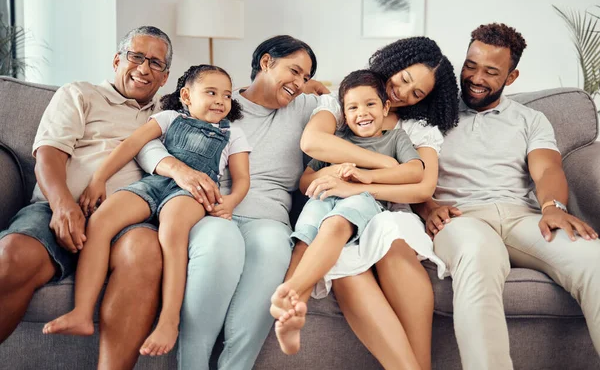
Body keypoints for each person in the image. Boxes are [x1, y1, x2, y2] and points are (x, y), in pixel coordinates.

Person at [135, 35, 328, 369]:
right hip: (210, 211)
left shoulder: (308, 109)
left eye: (305, 77)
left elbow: (357, 103)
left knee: (273, 248)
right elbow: (149, 141)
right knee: (220, 241)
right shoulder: (217, 98)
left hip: (269, 218)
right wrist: (178, 170)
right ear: (266, 62)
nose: (299, 83)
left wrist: (320, 88)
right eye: (294, 71)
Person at [415, 23, 600, 370]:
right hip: (460, 217)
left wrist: (553, 207)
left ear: (511, 77)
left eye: (490, 71)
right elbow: (407, 169)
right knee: (478, 253)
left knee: (593, 259)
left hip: (522, 216)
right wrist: (427, 207)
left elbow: (546, 169)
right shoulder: (431, 113)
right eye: (471, 65)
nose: (475, 77)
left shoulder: (530, 119)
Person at [271, 36, 459, 370]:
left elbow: (422, 185)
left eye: (417, 93)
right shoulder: (347, 104)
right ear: (393, 63)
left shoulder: (413, 129)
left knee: (389, 232)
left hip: (389, 209)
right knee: (340, 255)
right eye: (403, 78)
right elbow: (313, 142)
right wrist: (380, 166)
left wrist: (362, 183)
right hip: (335, 206)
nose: (402, 92)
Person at [42, 64, 251, 357]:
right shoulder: (168, 118)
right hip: (154, 183)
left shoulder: (233, 133)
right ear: (187, 96)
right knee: (101, 220)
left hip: (191, 193)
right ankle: (81, 312)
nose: (220, 101)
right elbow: (131, 145)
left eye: (227, 96)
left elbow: (242, 179)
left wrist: (230, 201)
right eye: (212, 92)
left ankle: (169, 320)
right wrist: (99, 179)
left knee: (171, 234)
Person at [0, 26, 173, 369]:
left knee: (144, 251)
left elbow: (228, 97)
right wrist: (63, 205)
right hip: (58, 207)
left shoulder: (172, 116)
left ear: (165, 77)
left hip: (128, 223)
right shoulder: (80, 93)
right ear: (116, 60)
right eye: (135, 56)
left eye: (155, 63)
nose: (143, 68)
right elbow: (48, 155)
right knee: (12, 255)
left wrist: (312, 89)